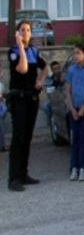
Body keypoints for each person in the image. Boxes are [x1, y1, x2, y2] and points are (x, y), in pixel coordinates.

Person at [7, 21, 47, 191]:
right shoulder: (14, 52)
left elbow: (45, 68)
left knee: (28, 138)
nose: (25, 32)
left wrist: (40, 80)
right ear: (18, 33)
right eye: (22, 30)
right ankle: (14, 178)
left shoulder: (34, 51)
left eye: (28, 30)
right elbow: (22, 69)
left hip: (31, 99)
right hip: (19, 100)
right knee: (18, 138)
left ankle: (24, 174)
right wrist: (21, 47)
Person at [65, 43, 84, 182]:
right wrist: (71, 108)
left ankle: (83, 168)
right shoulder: (71, 70)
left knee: (83, 138)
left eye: (78, 53)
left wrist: (83, 108)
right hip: (73, 109)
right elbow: (67, 90)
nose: (76, 56)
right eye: (74, 53)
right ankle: (73, 167)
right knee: (74, 139)